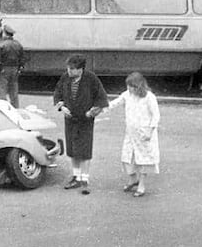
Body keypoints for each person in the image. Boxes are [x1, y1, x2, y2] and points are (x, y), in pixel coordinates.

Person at [53, 54, 108, 195]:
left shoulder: (91, 79)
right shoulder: (65, 77)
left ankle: (85, 180)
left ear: (80, 69)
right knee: (72, 149)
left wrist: (92, 112)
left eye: (72, 69)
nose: (69, 71)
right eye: (68, 68)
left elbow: (101, 98)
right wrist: (61, 107)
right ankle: (76, 177)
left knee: (84, 150)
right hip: (70, 120)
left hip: (85, 121)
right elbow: (57, 93)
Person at [106, 72, 160, 197]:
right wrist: (99, 108)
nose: (130, 89)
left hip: (144, 133)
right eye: (128, 86)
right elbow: (114, 103)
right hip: (131, 133)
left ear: (139, 86)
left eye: (132, 86)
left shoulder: (149, 97)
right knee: (127, 157)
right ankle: (132, 179)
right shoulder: (127, 95)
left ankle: (141, 184)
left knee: (143, 159)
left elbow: (155, 115)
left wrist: (150, 131)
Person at [0, 25, 25, 108]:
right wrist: (20, 68)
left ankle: (3, 108)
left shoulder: (1, 44)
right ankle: (15, 108)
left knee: (2, 90)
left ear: (5, 34)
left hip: (4, 69)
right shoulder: (18, 44)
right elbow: (22, 58)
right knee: (14, 90)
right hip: (15, 69)